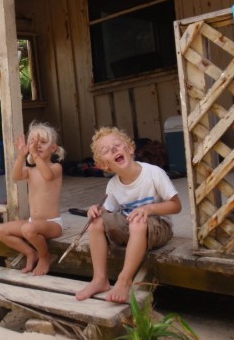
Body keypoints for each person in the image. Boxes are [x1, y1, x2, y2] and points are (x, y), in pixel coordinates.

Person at [75, 127, 181, 303]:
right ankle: (100, 279)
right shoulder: (113, 185)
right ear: (104, 165)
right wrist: (95, 210)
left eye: (117, 145)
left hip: (158, 228)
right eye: (106, 151)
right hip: (131, 228)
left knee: (137, 221)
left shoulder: (153, 173)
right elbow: (107, 213)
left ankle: (124, 280)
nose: (114, 149)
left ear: (130, 149)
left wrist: (149, 209)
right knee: (95, 222)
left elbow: (176, 206)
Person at [0, 121, 66, 276]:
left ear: (53, 148)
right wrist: (21, 156)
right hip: (33, 223)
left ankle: (44, 256)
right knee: (1, 231)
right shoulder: (30, 171)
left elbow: (47, 176)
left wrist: (34, 154)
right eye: (33, 142)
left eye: (43, 142)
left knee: (28, 229)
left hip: (52, 224)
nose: (37, 145)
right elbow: (15, 176)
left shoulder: (56, 168)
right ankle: (30, 253)